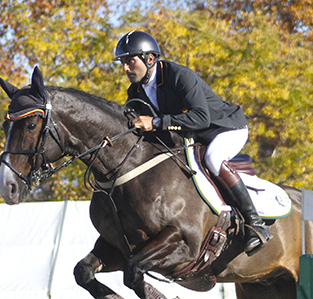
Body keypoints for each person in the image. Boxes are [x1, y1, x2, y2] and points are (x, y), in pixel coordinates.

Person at [115, 30, 273, 255]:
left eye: (130, 61)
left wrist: (157, 122)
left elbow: (201, 117)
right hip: (194, 136)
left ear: (149, 59)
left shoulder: (179, 76)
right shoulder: (136, 91)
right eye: (122, 62)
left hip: (225, 128)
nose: (125, 68)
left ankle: (255, 223)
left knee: (213, 158)